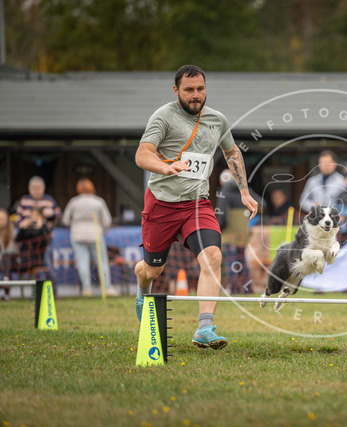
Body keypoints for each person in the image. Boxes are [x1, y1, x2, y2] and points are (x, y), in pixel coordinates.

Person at [134, 64, 258, 350]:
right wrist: (166, 167)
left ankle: (204, 328)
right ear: (176, 90)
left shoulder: (217, 119)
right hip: (162, 204)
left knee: (213, 256)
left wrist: (244, 192)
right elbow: (142, 155)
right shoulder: (163, 116)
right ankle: (142, 291)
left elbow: (232, 152)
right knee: (152, 270)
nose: (196, 95)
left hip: (197, 204)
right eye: (189, 90)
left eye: (200, 89)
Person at [62, 178, 117, 297]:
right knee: (102, 262)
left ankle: (87, 290)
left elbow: (65, 220)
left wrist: (74, 224)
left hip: (77, 235)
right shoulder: (98, 201)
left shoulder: (74, 202)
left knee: (82, 261)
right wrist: (102, 229)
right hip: (95, 234)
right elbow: (107, 221)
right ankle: (107, 288)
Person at [217, 169, 264, 294]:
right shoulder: (245, 192)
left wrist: (218, 229)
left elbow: (223, 217)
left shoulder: (224, 192)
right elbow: (262, 204)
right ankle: (247, 289)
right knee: (242, 261)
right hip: (243, 233)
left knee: (231, 262)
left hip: (230, 234)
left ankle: (233, 289)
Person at [15, 207, 51, 278]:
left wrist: (40, 227)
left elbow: (45, 241)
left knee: (48, 264)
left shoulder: (44, 228)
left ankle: (51, 284)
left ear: (41, 216)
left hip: (38, 256)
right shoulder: (27, 227)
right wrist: (22, 228)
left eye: (37, 215)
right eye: (32, 215)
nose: (34, 217)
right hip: (25, 256)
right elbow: (17, 239)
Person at [0, 208, 18, 300]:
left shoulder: (12, 232)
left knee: (6, 257)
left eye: (2, 219)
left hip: (12, 259)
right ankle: (5, 279)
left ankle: (6, 279)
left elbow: (13, 250)